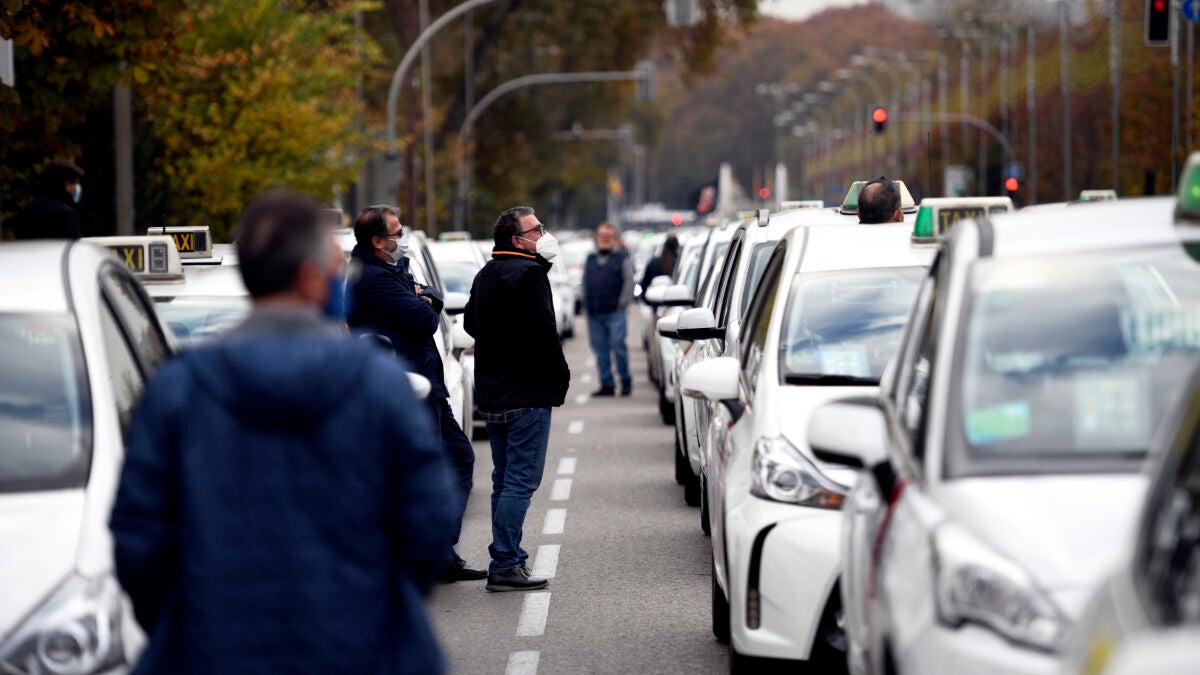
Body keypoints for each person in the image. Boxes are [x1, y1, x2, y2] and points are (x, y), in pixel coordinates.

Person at [109, 191, 455, 674]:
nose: (344, 280)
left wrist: (192, 621)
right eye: (338, 269)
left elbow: (138, 542)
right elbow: (429, 524)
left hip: (214, 652)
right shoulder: (377, 383)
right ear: (312, 278)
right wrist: (374, 603)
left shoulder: (178, 389)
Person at [346, 204, 485, 583]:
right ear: (378, 242)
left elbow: (432, 297)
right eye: (397, 233)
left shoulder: (393, 269)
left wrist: (426, 296)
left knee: (457, 460)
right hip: (408, 389)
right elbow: (425, 319)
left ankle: (438, 551)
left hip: (428, 384)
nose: (403, 239)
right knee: (434, 471)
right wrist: (424, 299)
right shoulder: (372, 279)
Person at [464, 205, 570, 592]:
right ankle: (506, 563)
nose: (544, 234)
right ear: (517, 240)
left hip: (493, 396)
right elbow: (544, 333)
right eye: (537, 229)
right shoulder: (528, 274)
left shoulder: (486, 273)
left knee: (504, 479)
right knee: (520, 481)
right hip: (527, 395)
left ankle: (508, 557)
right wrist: (560, 377)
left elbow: (471, 323)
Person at [582, 222, 634, 397]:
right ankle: (607, 384)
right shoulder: (590, 258)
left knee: (618, 345)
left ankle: (625, 380)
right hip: (594, 313)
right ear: (597, 238)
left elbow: (629, 281)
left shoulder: (622, 258)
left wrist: (623, 303)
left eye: (608, 236)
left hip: (615, 312)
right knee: (600, 350)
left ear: (614, 238)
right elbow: (584, 282)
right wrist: (585, 303)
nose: (605, 239)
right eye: (602, 236)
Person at [8, 160, 84, 240]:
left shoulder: (26, 210)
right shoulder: (67, 214)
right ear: (67, 185)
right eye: (76, 183)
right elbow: (72, 245)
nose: (77, 187)